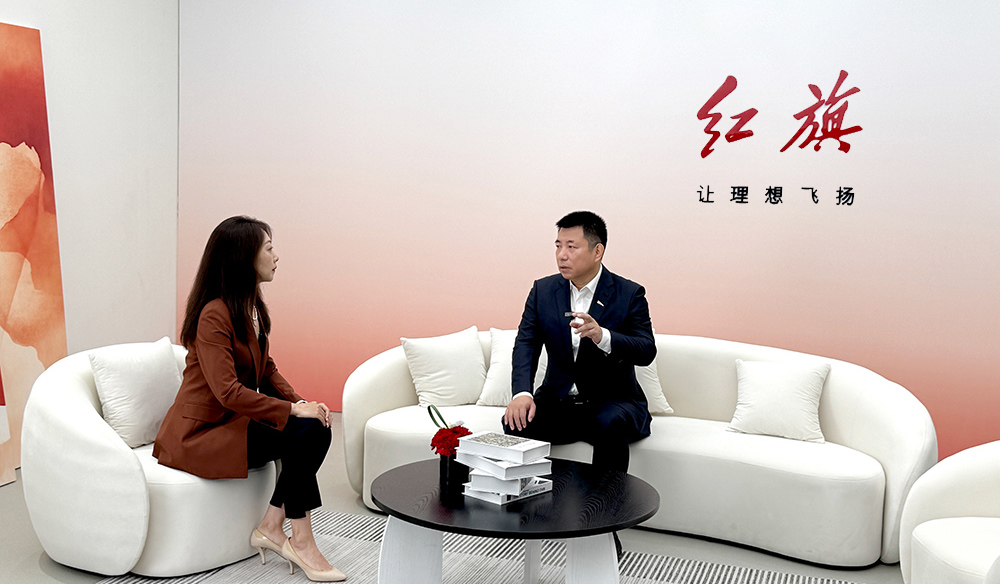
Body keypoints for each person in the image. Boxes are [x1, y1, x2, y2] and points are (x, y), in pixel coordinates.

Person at [153, 216, 345, 582]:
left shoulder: (250, 306)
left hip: (232, 424)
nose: (276, 256)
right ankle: (301, 539)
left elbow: (266, 370)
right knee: (303, 432)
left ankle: (273, 525)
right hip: (202, 434)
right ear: (244, 256)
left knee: (316, 428)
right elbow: (227, 391)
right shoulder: (214, 314)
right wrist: (293, 411)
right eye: (269, 248)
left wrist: (304, 404)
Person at [503, 211, 655, 472]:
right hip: (559, 403)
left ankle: (607, 497)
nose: (562, 255)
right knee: (515, 422)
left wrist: (603, 336)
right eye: (558, 246)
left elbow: (646, 350)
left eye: (571, 247)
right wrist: (522, 393)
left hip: (611, 402)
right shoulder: (543, 291)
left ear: (597, 252)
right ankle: (541, 496)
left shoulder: (629, 294)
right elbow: (526, 343)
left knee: (610, 422)